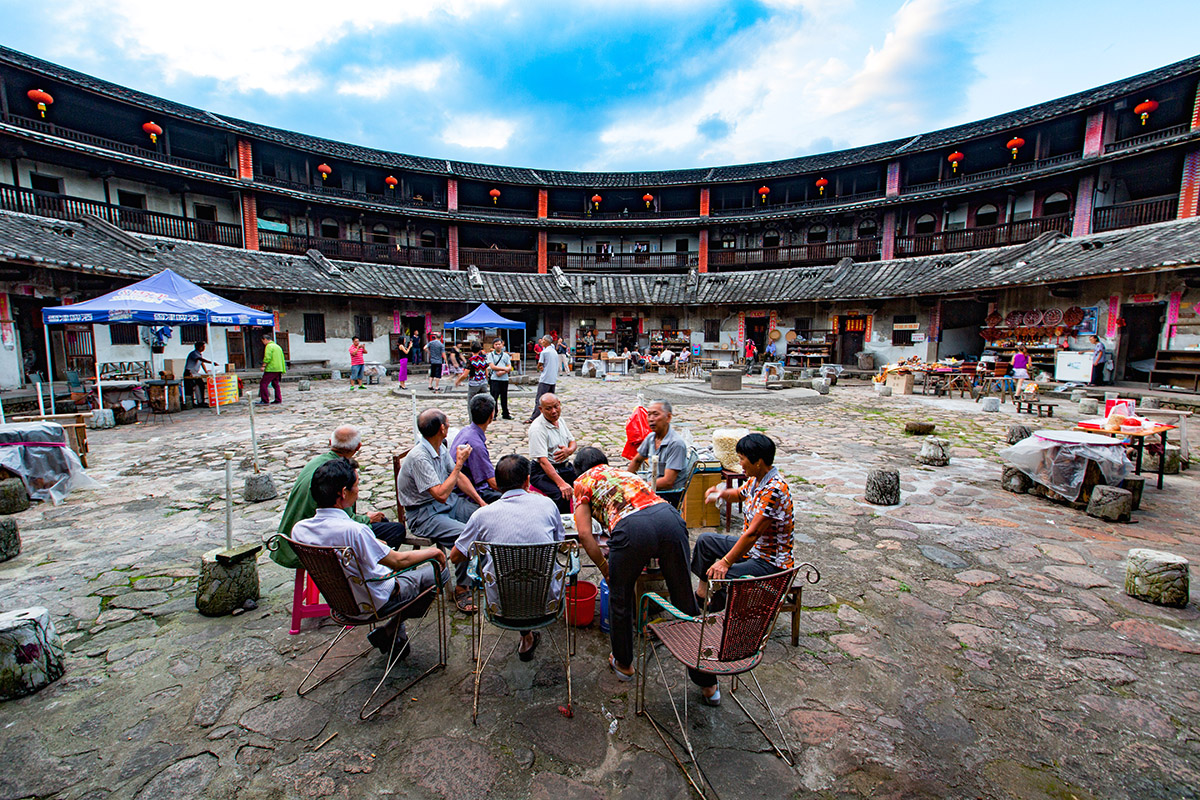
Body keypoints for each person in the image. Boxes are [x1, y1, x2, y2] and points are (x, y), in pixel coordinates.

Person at [572, 447, 719, 704]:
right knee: (684, 597)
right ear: (604, 462)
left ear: (579, 469)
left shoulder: (582, 481)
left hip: (631, 529)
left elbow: (585, 535)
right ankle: (708, 684)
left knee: (620, 598)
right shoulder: (623, 473)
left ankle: (624, 664)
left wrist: (606, 569)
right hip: (669, 519)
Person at [291, 458, 446, 658]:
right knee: (438, 572)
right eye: (356, 485)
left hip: (339, 601)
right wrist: (435, 552)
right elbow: (398, 561)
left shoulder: (300, 530)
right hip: (373, 600)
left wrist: (373, 544)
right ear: (343, 493)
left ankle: (393, 632)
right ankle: (392, 628)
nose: (358, 490)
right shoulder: (354, 531)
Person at [450, 454, 565, 660]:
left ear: (497, 485)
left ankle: (525, 637)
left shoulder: (482, 516)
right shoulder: (548, 505)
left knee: (508, 574)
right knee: (531, 570)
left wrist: (479, 552)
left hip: (501, 605)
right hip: (547, 602)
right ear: (527, 480)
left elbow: (455, 556)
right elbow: (559, 545)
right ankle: (528, 636)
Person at [273, 425, 408, 570]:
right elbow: (344, 518)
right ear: (358, 447)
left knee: (382, 523)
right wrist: (367, 520)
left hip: (295, 539)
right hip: (316, 542)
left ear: (330, 442)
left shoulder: (316, 463)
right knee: (395, 530)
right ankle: (373, 573)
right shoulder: (338, 474)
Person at [396, 409, 486, 612]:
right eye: (447, 422)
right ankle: (462, 588)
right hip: (424, 514)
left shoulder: (439, 446)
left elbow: (458, 477)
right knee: (466, 536)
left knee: (484, 518)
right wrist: (460, 464)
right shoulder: (420, 457)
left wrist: (480, 502)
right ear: (442, 429)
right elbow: (440, 493)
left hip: (448, 503)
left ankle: (480, 570)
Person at [692, 433, 794, 612]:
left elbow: (752, 534)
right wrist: (721, 493)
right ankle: (702, 596)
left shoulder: (775, 490)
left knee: (721, 574)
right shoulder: (756, 480)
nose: (739, 463)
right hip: (753, 551)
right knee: (705, 541)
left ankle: (718, 618)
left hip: (770, 563)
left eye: (742, 459)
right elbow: (739, 494)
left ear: (758, 462)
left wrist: (725, 562)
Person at [528, 393, 576, 513]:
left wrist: (568, 451)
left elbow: (573, 442)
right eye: (548, 409)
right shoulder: (537, 429)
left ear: (559, 404)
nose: (554, 411)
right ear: (541, 409)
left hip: (564, 467)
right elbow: (543, 461)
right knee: (561, 495)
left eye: (556, 407)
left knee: (584, 486)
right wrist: (561, 483)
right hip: (543, 472)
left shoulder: (560, 421)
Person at [451, 394, 502, 503]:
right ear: (491, 416)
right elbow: (492, 482)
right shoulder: (475, 444)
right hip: (467, 493)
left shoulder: (466, 430)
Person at [628, 400, 687, 491]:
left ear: (668, 417)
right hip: (651, 488)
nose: (651, 419)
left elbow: (668, 482)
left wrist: (640, 487)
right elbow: (637, 461)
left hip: (667, 494)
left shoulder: (676, 444)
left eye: (656, 415)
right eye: (649, 415)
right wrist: (624, 481)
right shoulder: (651, 438)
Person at [526, 336, 560, 423]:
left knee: (540, 399)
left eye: (543, 340)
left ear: (547, 342)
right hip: (552, 379)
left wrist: (539, 367)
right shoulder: (554, 352)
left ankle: (535, 417)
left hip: (545, 379)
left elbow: (540, 363)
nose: (542, 342)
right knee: (551, 400)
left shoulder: (544, 352)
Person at [453, 341, 490, 408]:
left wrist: (458, 381)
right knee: (482, 404)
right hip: (483, 383)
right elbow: (486, 373)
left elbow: (465, 375)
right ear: (479, 350)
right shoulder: (483, 359)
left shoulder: (471, 360)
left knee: (472, 404)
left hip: (474, 383)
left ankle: (472, 418)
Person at [486, 338, 514, 419]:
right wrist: (505, 369)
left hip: (504, 379)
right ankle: (494, 414)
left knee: (504, 397)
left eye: (499, 344)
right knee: (494, 397)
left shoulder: (505, 355)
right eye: (496, 344)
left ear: (502, 345)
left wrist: (503, 372)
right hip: (494, 379)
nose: (498, 346)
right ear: (493, 346)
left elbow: (509, 366)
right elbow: (492, 366)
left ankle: (505, 413)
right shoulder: (490, 355)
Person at [183, 342, 214, 407]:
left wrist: (206, 372)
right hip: (189, 372)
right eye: (202, 346)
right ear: (197, 347)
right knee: (190, 389)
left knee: (200, 386)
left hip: (195, 373)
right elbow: (200, 359)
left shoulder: (199, 354)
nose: (203, 348)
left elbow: (201, 363)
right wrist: (211, 362)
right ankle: (191, 403)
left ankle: (200, 401)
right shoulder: (194, 354)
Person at [258, 332, 285, 405]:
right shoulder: (277, 346)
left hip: (271, 368)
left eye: (263, 341)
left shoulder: (269, 346)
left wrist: (263, 365)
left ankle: (265, 400)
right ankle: (278, 399)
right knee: (275, 384)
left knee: (263, 383)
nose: (263, 343)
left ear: (265, 339)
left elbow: (267, 357)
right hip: (278, 368)